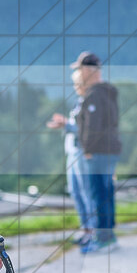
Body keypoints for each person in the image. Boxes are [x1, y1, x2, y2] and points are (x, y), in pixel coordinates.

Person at [72, 52, 122, 253]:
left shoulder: (94, 95)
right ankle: (109, 235)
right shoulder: (107, 92)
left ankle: (103, 239)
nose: (78, 73)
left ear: (88, 70)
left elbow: (94, 126)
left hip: (98, 152)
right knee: (106, 192)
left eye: (79, 69)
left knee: (98, 195)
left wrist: (88, 150)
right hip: (109, 150)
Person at [47, 69, 93, 246]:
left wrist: (66, 124)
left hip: (82, 152)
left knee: (85, 192)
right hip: (72, 152)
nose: (76, 87)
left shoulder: (91, 103)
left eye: (78, 83)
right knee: (75, 191)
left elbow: (86, 128)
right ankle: (85, 230)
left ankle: (93, 231)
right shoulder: (79, 102)